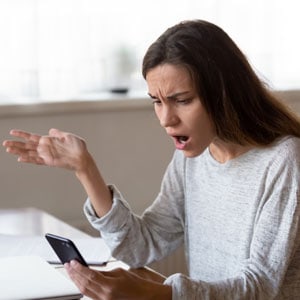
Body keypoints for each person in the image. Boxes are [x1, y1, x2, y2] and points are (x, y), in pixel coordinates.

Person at [3, 19, 300, 299]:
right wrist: (85, 169)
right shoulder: (191, 160)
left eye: (181, 100)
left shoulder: (283, 160)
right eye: (157, 101)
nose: (166, 119)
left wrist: (153, 293)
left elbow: (262, 287)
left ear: (224, 94)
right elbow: (138, 248)